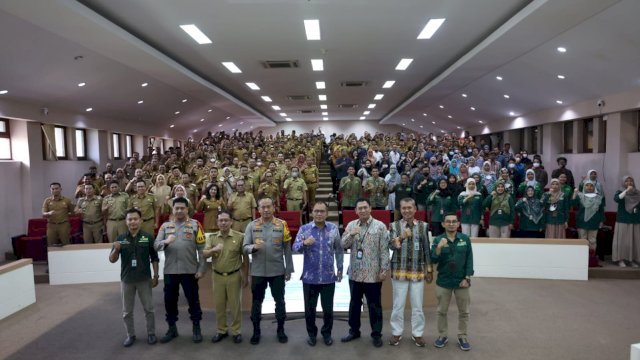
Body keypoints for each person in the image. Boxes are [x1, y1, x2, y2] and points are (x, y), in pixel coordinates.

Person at [154, 197, 208, 344]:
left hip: (190, 270)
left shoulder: (196, 225)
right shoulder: (165, 226)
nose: (179, 210)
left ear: (187, 209)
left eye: (182, 208)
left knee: (193, 301)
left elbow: (202, 249)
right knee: (170, 301)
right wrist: (166, 242)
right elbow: (155, 245)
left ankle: (196, 327)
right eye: (176, 208)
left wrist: (202, 268)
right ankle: (172, 328)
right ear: (172, 209)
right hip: (170, 271)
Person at [243, 197, 294, 345]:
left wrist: (288, 269)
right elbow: (244, 247)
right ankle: (256, 331)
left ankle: (281, 329)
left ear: (273, 208)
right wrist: (253, 248)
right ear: (258, 209)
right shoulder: (251, 226)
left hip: (277, 271)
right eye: (263, 207)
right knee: (257, 302)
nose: (266, 210)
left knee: (280, 301)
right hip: (258, 272)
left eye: (268, 207)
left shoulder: (281, 225)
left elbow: (287, 248)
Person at [292, 201, 344, 347]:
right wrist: (304, 243)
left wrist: (339, 269)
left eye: (322, 211)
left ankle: (327, 334)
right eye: (316, 211)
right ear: (312, 213)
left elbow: (339, 250)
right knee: (310, 310)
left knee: (328, 310)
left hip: (328, 277)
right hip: (310, 278)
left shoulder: (333, 229)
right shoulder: (305, 229)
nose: (319, 214)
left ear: (327, 213)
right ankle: (312, 334)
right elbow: (295, 247)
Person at [340, 198, 390, 348]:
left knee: (375, 306)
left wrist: (384, 269)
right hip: (355, 273)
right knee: (354, 304)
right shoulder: (351, 225)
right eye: (359, 208)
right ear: (355, 211)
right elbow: (343, 244)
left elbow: (384, 250)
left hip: (373, 274)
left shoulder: (380, 226)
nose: (362, 210)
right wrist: (351, 235)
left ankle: (376, 334)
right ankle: (354, 331)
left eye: (365, 207)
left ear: (370, 209)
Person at [109, 208, 160, 347]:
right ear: (126, 222)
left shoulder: (148, 237)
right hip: (127, 280)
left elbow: (155, 258)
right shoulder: (120, 239)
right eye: (130, 219)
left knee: (149, 309)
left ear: (141, 221)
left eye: (135, 219)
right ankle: (130, 335)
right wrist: (116, 249)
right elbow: (112, 259)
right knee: (127, 312)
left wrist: (156, 276)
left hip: (144, 279)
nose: (133, 222)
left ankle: (151, 333)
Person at [388, 198, 433, 347]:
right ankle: (396, 332)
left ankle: (417, 334)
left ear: (415, 209)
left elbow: (426, 248)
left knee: (417, 306)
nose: (406, 211)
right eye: (404, 208)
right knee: (398, 305)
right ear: (400, 210)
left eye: (409, 208)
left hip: (417, 270)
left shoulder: (423, 226)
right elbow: (391, 247)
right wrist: (401, 237)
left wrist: (429, 268)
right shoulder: (393, 226)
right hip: (399, 270)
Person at [203, 212, 249, 344]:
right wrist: (214, 250)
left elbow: (244, 258)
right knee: (219, 305)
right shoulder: (212, 237)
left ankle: (236, 331)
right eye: (221, 220)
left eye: (226, 220)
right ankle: (221, 330)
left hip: (234, 275)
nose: (223, 223)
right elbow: (204, 254)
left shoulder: (239, 237)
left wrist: (246, 276)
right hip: (217, 276)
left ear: (231, 222)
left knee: (235, 305)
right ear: (217, 222)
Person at [431, 212, 474, 351]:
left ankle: (462, 336)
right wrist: (439, 248)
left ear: (458, 224)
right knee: (441, 311)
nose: (451, 224)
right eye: (448, 221)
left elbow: (469, 260)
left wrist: (467, 277)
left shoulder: (465, 239)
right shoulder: (438, 240)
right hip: (443, 281)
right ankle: (442, 335)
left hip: (462, 281)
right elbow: (433, 260)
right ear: (443, 224)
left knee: (464, 312)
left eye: (454, 221)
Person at [612, 176, 640, 267]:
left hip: (635, 220)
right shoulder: (620, 192)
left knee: (634, 241)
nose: (629, 182)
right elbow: (617, 199)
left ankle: (631, 260)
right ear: (623, 183)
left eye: (631, 180)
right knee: (622, 241)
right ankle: (620, 259)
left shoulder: (637, 193)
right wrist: (626, 191)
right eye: (626, 181)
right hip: (623, 220)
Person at [571, 181, 605, 252]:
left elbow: (601, 210)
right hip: (582, 221)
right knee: (582, 240)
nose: (589, 187)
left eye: (591, 186)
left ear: (594, 187)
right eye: (587, 185)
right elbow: (573, 204)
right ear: (584, 187)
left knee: (592, 240)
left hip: (594, 221)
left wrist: (601, 221)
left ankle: (591, 258)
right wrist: (574, 193)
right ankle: (582, 257)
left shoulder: (598, 197)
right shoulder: (579, 196)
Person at [42, 182, 75, 246]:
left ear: (60, 189)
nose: (54, 190)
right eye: (53, 189)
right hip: (51, 226)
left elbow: (73, 212)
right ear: (50, 190)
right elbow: (43, 214)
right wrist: (48, 213)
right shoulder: (47, 200)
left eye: (56, 188)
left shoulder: (67, 200)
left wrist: (65, 214)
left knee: (66, 245)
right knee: (51, 245)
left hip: (64, 225)